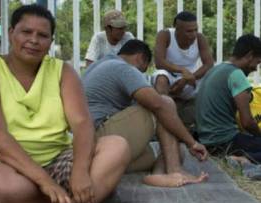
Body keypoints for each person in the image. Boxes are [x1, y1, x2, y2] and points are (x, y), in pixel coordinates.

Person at [0, 4, 130, 203]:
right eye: (26, 32)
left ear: (50, 42)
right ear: (11, 33)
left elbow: (81, 123)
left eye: (43, 35)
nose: (34, 40)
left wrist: (79, 171)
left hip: (56, 160)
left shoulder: (62, 71)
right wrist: (46, 183)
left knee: (117, 146)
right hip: (1, 166)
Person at [83, 39, 209, 188]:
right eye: (143, 70)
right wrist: (191, 142)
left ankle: (157, 174)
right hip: (100, 135)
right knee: (164, 102)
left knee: (158, 154)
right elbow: (158, 105)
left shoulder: (100, 65)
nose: (141, 75)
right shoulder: (123, 68)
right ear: (140, 58)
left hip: (89, 145)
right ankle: (174, 170)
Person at [195, 34, 261, 163]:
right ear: (250, 55)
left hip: (205, 140)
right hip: (224, 141)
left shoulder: (216, 69)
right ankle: (243, 160)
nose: (255, 68)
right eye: (257, 62)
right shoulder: (236, 74)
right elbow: (247, 122)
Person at [153, 11, 213, 128]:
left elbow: (209, 63)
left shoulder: (200, 38)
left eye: (195, 29)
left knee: (211, 78)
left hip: (191, 78)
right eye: (189, 31)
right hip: (170, 77)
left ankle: (205, 121)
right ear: (177, 29)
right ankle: (163, 118)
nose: (194, 34)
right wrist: (182, 71)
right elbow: (159, 62)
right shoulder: (165, 35)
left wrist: (187, 78)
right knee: (161, 77)